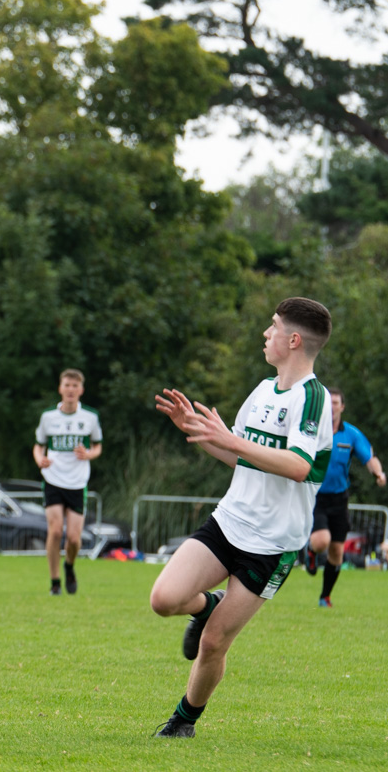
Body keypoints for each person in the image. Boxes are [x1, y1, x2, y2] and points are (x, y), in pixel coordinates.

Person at [149, 297, 333, 738]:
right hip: (230, 521)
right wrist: (198, 432)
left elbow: (297, 465)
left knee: (214, 642)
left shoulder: (312, 399)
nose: (264, 335)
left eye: (272, 327)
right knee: (164, 600)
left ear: (293, 340)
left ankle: (182, 722)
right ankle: (209, 603)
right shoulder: (263, 390)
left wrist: (230, 441)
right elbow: (242, 460)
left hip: (272, 545)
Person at [303, 387, 386, 605]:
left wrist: (378, 473)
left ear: (342, 407)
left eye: (336, 403)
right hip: (316, 496)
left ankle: (325, 596)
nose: (332, 407)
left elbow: (370, 457)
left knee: (337, 552)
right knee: (322, 542)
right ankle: (311, 551)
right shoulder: (313, 430)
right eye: (328, 402)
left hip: (339, 499)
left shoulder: (351, 434)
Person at [33, 369, 103, 595]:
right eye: (67, 385)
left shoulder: (90, 417)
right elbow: (38, 445)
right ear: (60, 388)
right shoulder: (48, 418)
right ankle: (55, 582)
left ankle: (69, 566)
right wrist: (39, 460)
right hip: (53, 478)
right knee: (54, 532)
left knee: (73, 539)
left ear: (81, 390)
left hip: (77, 482)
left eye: (75, 386)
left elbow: (98, 446)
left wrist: (88, 454)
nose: (71, 389)